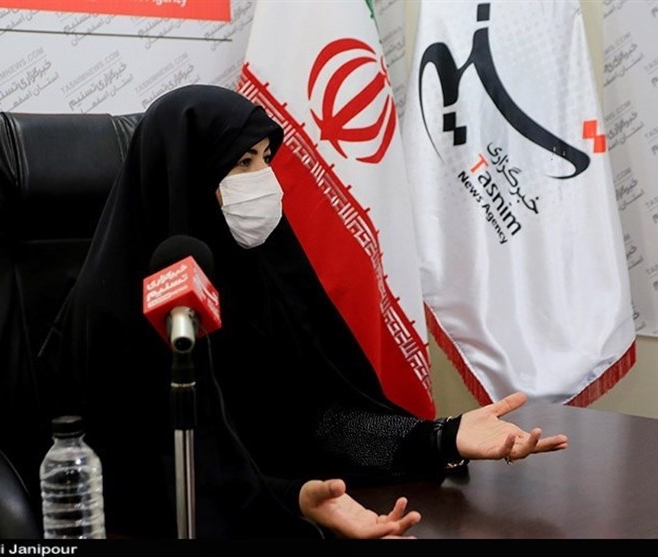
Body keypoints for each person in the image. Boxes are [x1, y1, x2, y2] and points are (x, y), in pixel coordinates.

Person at [39, 83, 566, 538]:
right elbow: (148, 481)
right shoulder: (114, 311)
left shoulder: (259, 273)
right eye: (242, 162)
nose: (264, 179)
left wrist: (439, 438)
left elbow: (317, 420)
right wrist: (288, 501)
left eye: (266, 158)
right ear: (186, 175)